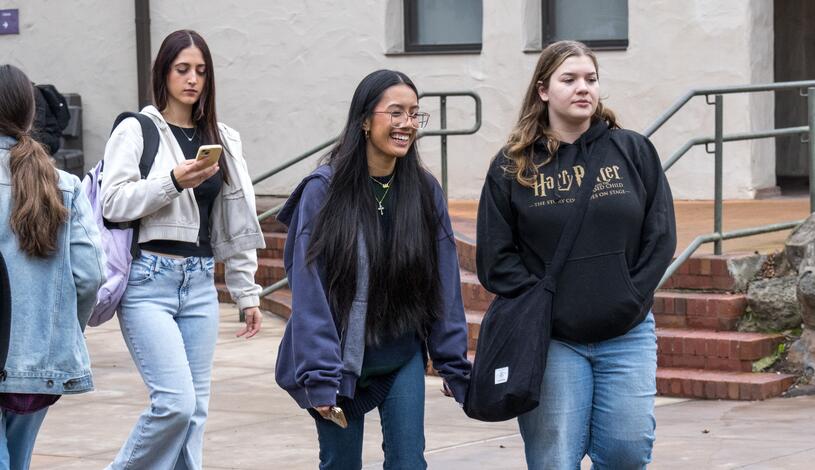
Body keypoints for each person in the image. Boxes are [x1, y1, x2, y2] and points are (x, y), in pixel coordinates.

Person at [476, 40, 677, 469]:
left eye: (591, 78)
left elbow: (659, 236)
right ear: (544, 90)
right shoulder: (512, 166)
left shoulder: (633, 151)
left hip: (627, 334)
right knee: (554, 458)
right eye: (569, 79)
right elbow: (496, 258)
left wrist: (629, 297)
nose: (583, 88)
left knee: (628, 451)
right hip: (553, 340)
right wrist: (548, 305)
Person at [275, 69, 471, 469]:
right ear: (365, 120)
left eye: (415, 114)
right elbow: (309, 290)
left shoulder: (424, 190)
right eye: (396, 112)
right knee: (341, 464)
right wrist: (320, 375)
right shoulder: (323, 191)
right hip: (338, 360)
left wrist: (451, 361)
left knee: (408, 462)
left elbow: (444, 281)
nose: (408, 124)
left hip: (400, 354)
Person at [101, 30, 265, 470]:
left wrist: (246, 292)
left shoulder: (224, 138)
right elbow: (112, 202)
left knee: (193, 414)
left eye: (201, 70)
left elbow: (236, 219)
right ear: (164, 73)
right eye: (182, 69)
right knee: (174, 404)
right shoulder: (136, 129)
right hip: (148, 281)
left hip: (199, 284)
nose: (193, 79)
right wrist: (171, 182)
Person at [0, 64, 105, 470]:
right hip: (39, 359)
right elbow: (90, 276)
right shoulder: (63, 184)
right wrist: (64, 332)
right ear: (30, 115)